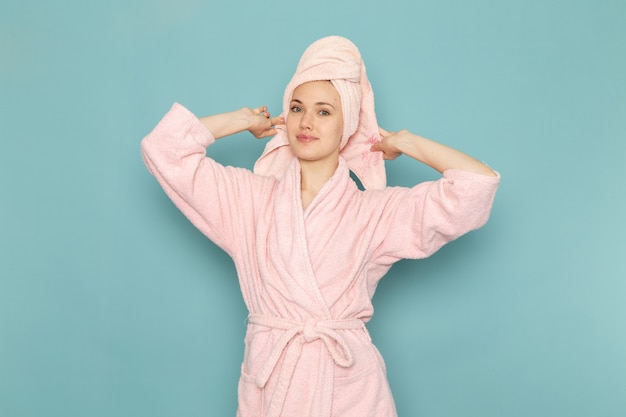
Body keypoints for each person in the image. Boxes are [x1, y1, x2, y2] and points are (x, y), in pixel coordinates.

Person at [141, 36, 499, 417]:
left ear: (347, 124)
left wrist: (406, 142)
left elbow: (476, 188)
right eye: (296, 108)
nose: (306, 122)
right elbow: (163, 148)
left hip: (347, 390)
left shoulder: (374, 213)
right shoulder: (247, 200)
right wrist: (241, 120)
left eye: (324, 112)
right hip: (272, 382)